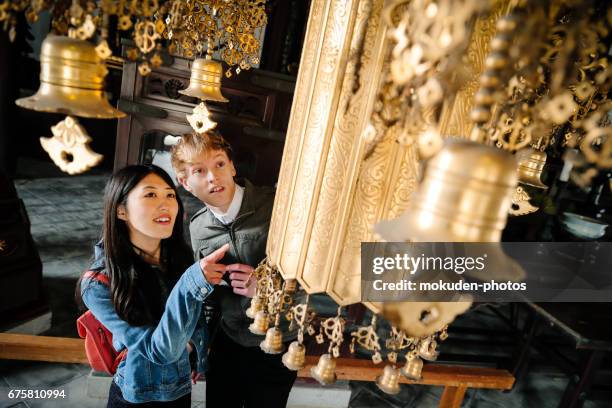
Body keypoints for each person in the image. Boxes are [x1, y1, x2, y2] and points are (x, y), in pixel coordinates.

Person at [76, 164, 229, 407]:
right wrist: (192, 283)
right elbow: (160, 352)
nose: (166, 204)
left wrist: (191, 351)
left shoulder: (177, 257)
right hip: (137, 398)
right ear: (121, 211)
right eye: (150, 194)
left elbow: (198, 315)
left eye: (170, 194)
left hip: (180, 391)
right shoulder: (98, 284)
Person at [171, 131, 298, 408]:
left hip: (277, 340)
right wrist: (199, 349)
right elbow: (207, 301)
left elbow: (312, 281)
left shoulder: (277, 208)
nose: (213, 178)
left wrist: (264, 289)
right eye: (199, 171)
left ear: (232, 166)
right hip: (227, 341)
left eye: (219, 164)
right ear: (185, 182)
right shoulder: (197, 228)